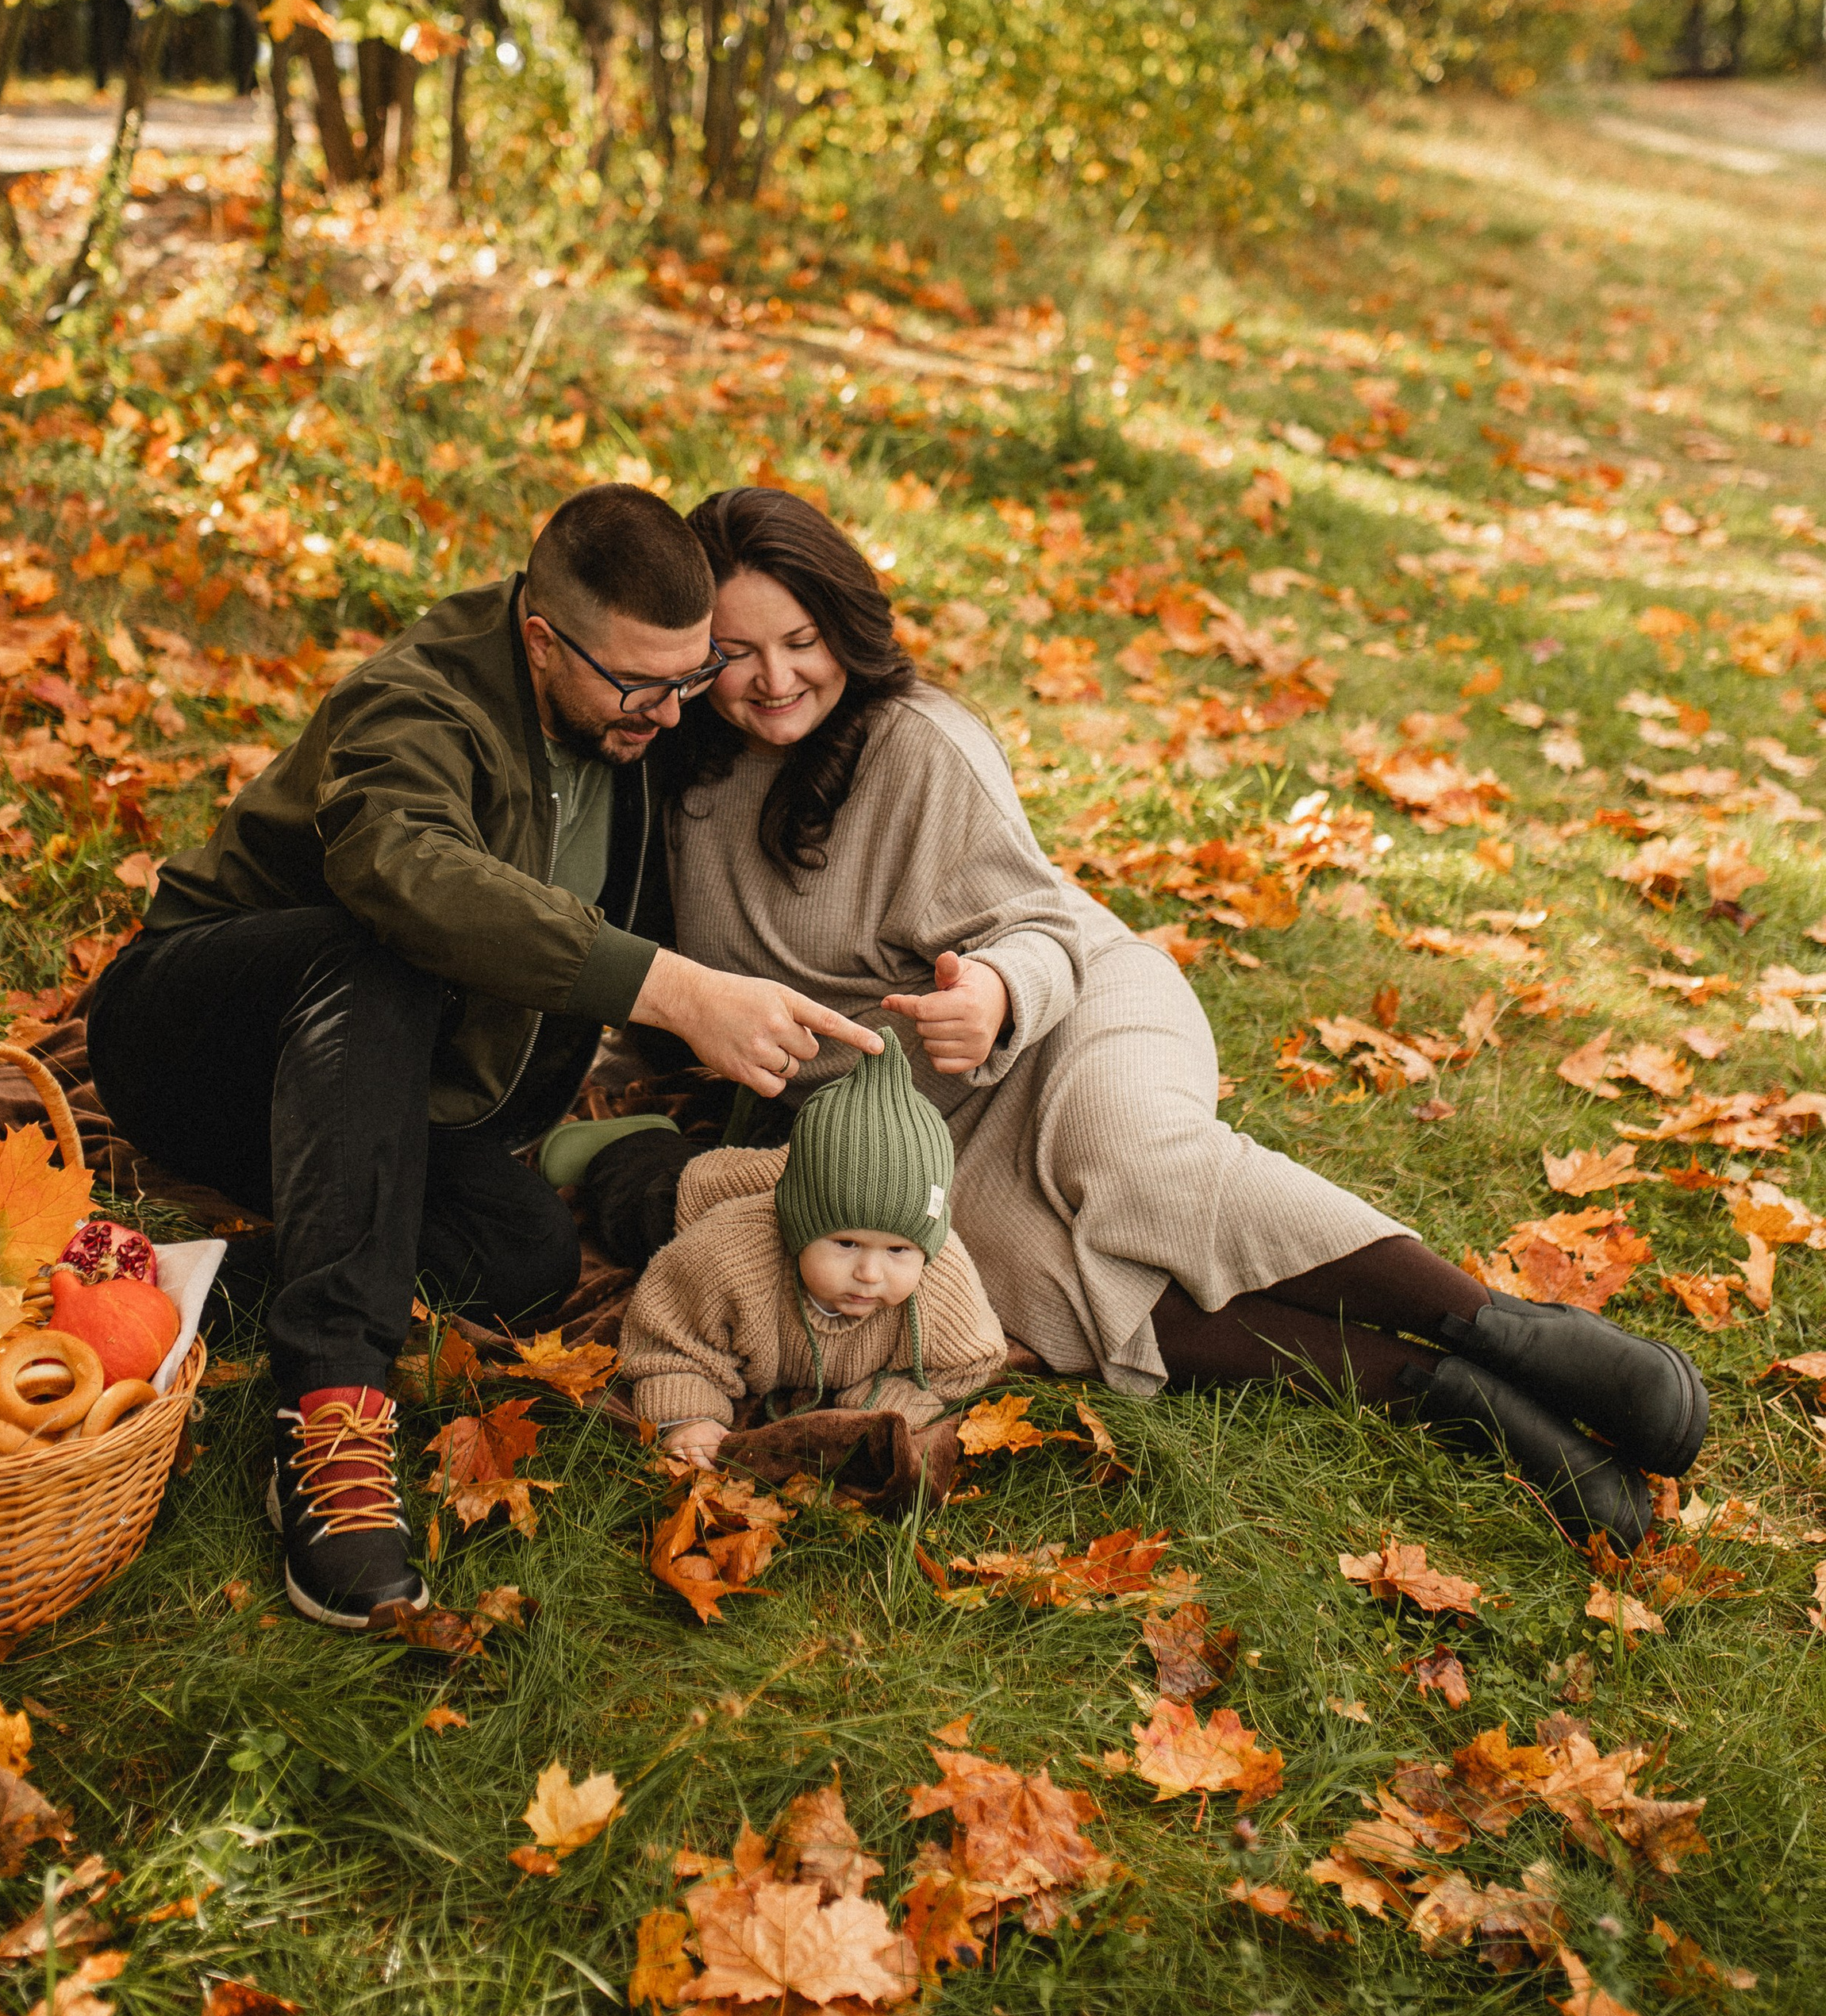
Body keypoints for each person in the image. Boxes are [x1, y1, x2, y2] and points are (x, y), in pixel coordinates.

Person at [613, 486, 1709, 1556]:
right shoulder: (681, 773)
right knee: (1035, 1284)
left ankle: (1494, 1326)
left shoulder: (915, 741)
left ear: (843, 626)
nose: (773, 678)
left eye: (801, 641)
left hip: (1067, 1010)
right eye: (736, 652)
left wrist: (993, 992)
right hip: (915, 1118)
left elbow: (1037, 920)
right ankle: (1444, 1391)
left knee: (1129, 1165)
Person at [86, 483, 882, 1633]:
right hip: (197, 1041)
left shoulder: (645, 706)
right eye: (641, 684)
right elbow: (404, 867)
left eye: (691, 675)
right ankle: (330, 1414)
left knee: (522, 1256)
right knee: (380, 947)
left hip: (368, 1101)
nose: (672, 713)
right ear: (542, 640)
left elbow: (801, 696)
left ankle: (200, 1285)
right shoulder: (420, 699)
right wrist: (672, 988)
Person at [619, 1025, 1005, 1462]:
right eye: (846, 1243)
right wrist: (689, 1416)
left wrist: (882, 1408)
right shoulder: (726, 1257)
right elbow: (670, 1339)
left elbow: (969, 1364)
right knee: (631, 1200)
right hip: (667, 1199)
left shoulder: (941, 1279)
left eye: (897, 1250)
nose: (869, 1274)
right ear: (797, 1229)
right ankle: (627, 1138)